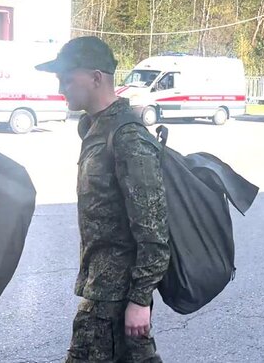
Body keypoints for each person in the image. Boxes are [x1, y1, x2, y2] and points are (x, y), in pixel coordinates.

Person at [36, 36, 170, 362]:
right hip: (102, 289)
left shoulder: (127, 137)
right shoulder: (96, 127)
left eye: (68, 78)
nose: (61, 87)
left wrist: (139, 300)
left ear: (96, 78)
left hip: (115, 296)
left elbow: (153, 230)